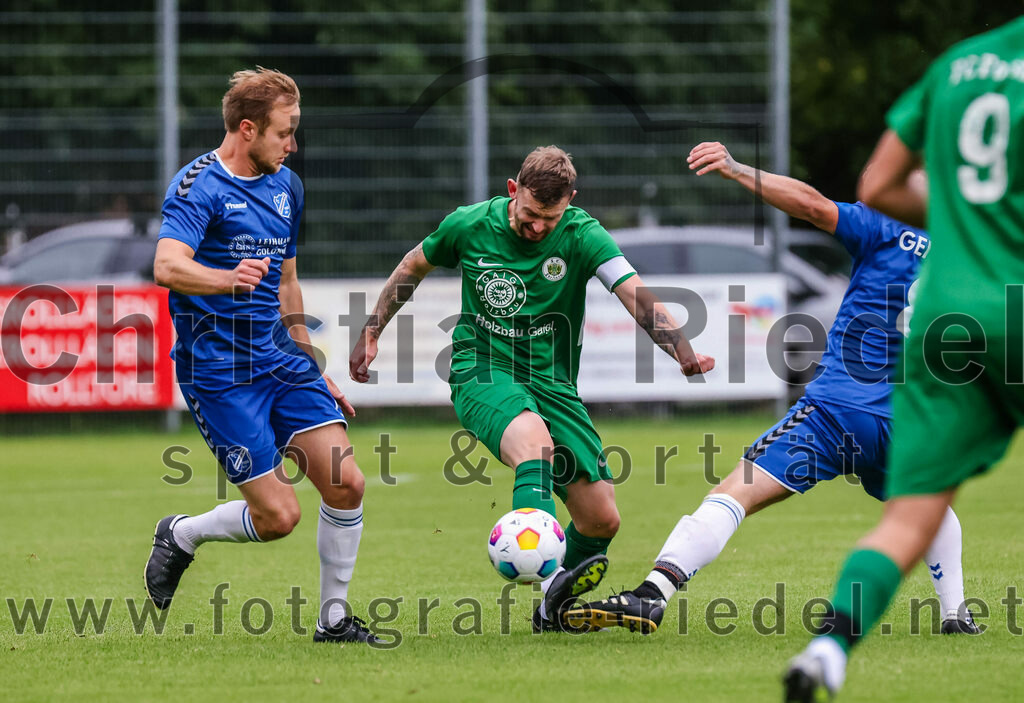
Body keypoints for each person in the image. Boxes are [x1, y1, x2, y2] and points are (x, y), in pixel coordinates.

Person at [566, 141, 977, 638]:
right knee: (927, 503)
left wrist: (738, 169)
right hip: (905, 421)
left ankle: (653, 593)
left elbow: (812, 205)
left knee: (735, 493)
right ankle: (957, 614)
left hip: (838, 410)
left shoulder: (884, 226)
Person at [348, 146, 714, 632]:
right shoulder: (469, 225)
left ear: (570, 202)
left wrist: (681, 349)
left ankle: (552, 611)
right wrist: (372, 330)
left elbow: (634, 294)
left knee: (601, 519)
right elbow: (413, 266)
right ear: (512, 190)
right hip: (482, 369)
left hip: (553, 384)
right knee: (534, 443)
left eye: (550, 218)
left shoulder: (583, 234)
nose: (538, 227)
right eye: (529, 215)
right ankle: (548, 573)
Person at [784, 18, 1024, 701]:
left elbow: (879, 185)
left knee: (912, 512)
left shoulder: (956, 66)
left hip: (946, 323)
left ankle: (830, 647)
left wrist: (964, 214)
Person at [145, 68, 379, 645]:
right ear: (247, 129)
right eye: (283, 133)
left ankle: (333, 622)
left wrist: (310, 364)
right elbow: (167, 266)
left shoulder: (286, 186)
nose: (291, 145)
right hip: (218, 371)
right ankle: (182, 534)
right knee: (280, 518)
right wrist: (225, 279)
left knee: (347, 483)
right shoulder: (198, 186)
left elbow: (287, 282)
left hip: (279, 358)